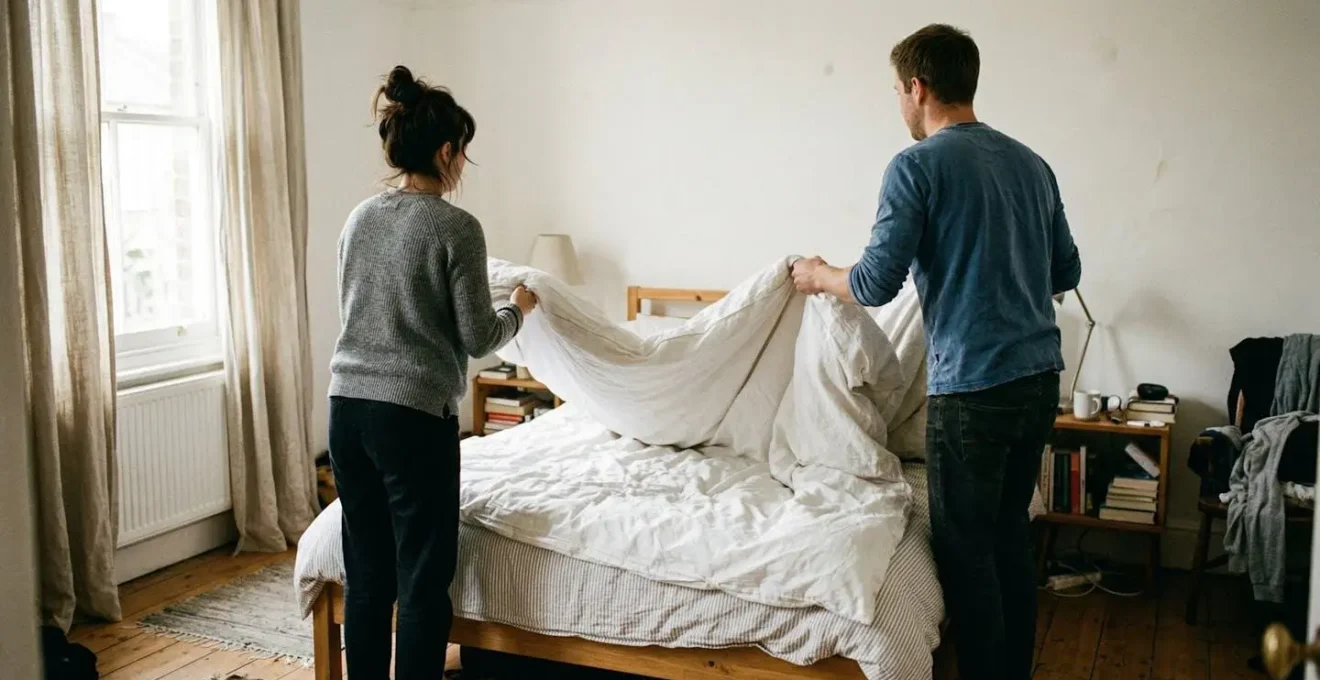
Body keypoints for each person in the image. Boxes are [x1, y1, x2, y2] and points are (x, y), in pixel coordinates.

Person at [791, 24, 1081, 680]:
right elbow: (1066, 270)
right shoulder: (1032, 165)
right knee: (1009, 535)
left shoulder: (916, 166)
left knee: (965, 550)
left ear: (918, 88)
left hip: (973, 390)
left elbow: (874, 283)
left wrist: (817, 275)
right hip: (1039, 379)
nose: (899, 102)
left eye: (897, 90)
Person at [327, 65, 537, 680]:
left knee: (366, 574)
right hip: (413, 418)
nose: (462, 163)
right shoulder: (456, 227)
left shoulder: (359, 218)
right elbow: (478, 337)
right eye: (462, 151)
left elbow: (358, 310)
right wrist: (517, 309)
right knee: (422, 578)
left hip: (346, 408)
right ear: (446, 151)